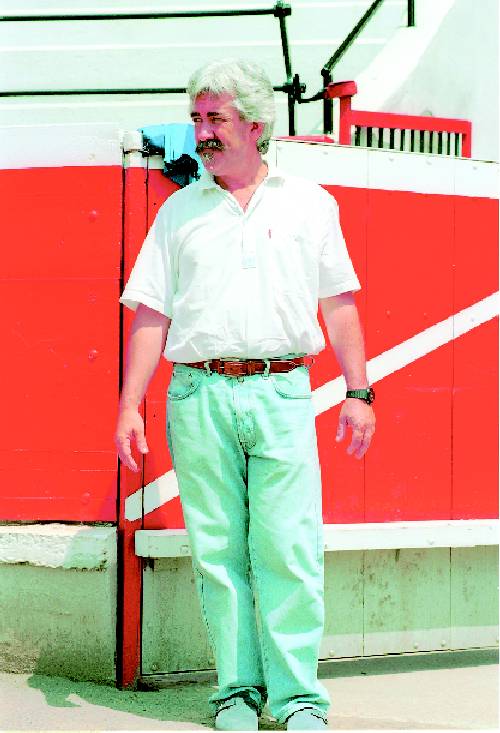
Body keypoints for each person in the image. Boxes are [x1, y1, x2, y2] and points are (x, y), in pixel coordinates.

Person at [115, 58, 375, 731]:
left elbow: (339, 302)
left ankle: (298, 700)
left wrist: (359, 391)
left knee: (289, 548)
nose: (202, 131)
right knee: (218, 551)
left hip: (281, 391)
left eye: (215, 118)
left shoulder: (310, 203)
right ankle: (236, 692)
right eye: (197, 118)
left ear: (255, 125)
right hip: (197, 395)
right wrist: (129, 405)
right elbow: (150, 311)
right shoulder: (179, 211)